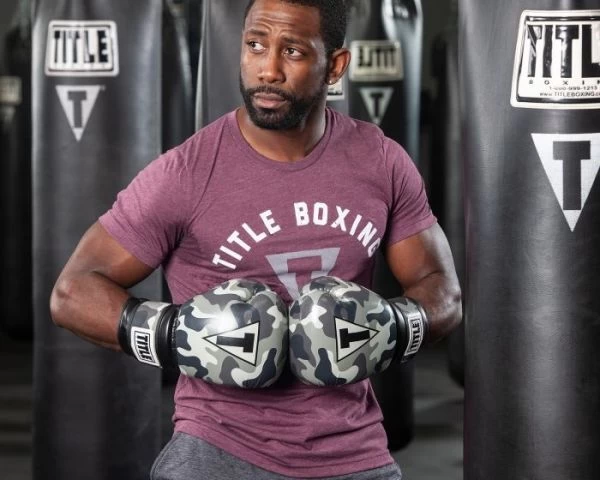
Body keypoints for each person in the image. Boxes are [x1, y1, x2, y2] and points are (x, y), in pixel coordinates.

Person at [50, 0, 462, 478]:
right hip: (218, 450)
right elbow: (72, 293)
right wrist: (177, 334)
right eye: (255, 45)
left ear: (335, 66)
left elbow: (443, 292)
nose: (268, 69)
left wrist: (391, 327)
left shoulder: (381, 160)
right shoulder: (186, 172)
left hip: (355, 450)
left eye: (292, 51)